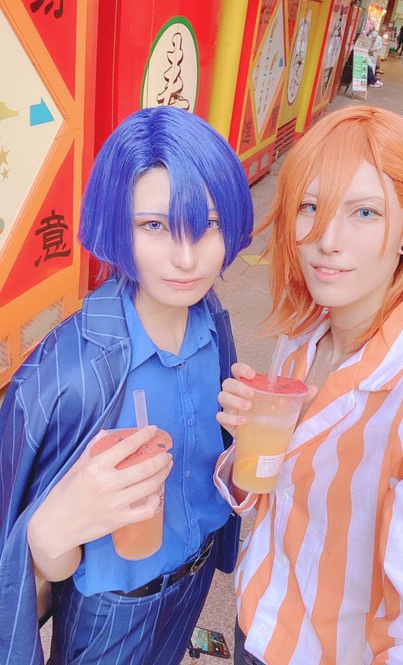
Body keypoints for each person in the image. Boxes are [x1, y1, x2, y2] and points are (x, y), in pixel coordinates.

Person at [214, 106, 403, 664]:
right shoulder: (300, 342)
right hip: (255, 626)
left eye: (364, 212)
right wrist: (247, 447)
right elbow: (271, 494)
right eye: (310, 207)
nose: (326, 239)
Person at [0, 106, 253, 664]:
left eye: (209, 224)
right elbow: (21, 543)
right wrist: (44, 539)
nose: (186, 258)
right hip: (114, 610)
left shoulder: (213, 323)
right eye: (154, 226)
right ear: (118, 224)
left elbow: (213, 460)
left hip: (194, 577)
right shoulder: (68, 371)